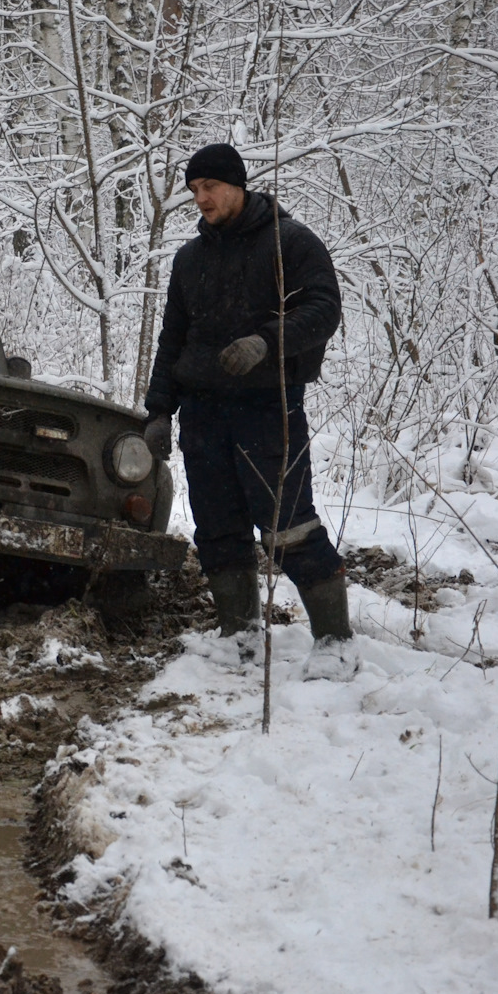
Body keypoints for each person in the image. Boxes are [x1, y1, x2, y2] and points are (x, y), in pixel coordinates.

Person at [142, 143, 351, 667]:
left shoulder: (291, 242)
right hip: (202, 413)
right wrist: (159, 409)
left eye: (209, 187)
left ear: (238, 185)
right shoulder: (190, 258)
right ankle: (240, 637)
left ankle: (334, 644)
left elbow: (324, 309)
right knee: (216, 528)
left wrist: (267, 340)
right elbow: (173, 339)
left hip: (267, 407)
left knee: (289, 527)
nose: (201, 199)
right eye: (193, 191)